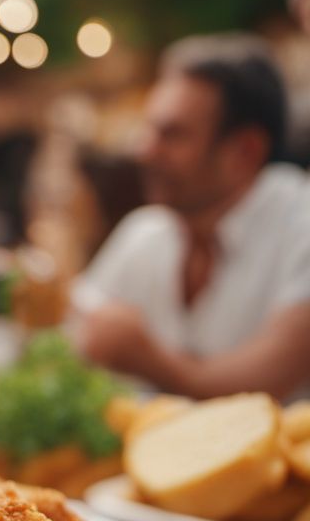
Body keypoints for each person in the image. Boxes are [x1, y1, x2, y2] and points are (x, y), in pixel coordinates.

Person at [75, 35, 310, 400]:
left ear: (245, 151)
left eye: (172, 135)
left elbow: (266, 385)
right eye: (149, 129)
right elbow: (67, 342)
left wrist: (148, 359)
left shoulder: (301, 223)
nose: (144, 150)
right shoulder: (146, 232)